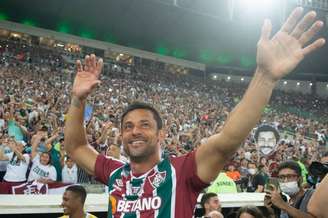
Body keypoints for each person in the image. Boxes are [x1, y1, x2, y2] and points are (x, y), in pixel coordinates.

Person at [64, 7, 325, 217]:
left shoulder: (182, 170)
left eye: (145, 125)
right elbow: (75, 147)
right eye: (128, 126)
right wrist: (77, 100)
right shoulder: (114, 173)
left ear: (161, 134)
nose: (135, 131)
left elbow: (227, 140)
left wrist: (265, 77)